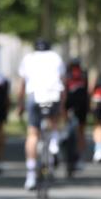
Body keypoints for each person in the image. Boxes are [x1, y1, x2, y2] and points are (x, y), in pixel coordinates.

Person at [16, 38, 66, 191]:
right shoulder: (56, 57)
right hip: (54, 95)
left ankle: (30, 176)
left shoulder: (28, 58)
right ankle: (54, 143)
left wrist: (20, 104)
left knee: (32, 134)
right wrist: (63, 105)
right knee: (54, 121)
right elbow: (62, 81)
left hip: (35, 96)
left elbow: (22, 84)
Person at [63, 57, 90, 164]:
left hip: (68, 103)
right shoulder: (84, 74)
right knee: (81, 131)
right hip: (82, 104)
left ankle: (64, 136)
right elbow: (87, 90)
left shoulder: (66, 74)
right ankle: (81, 155)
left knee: (66, 125)